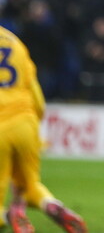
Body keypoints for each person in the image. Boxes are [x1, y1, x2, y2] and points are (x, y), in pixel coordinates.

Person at [0, 25, 87, 233]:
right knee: (30, 184)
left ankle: (7, 216)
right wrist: (31, 123)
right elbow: (37, 96)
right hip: (25, 121)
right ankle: (51, 205)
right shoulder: (15, 42)